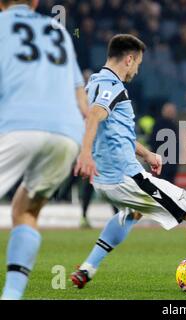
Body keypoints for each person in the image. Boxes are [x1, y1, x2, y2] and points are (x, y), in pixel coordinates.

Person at [70, 34, 186, 296]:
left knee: (131, 213)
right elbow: (95, 118)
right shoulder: (112, 85)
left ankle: (87, 268)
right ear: (129, 59)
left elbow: (112, 130)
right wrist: (84, 153)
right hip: (124, 176)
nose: (137, 69)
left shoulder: (93, 83)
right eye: (138, 64)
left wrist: (147, 154)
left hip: (105, 179)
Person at [0, 0, 87, 299]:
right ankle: (11, 295)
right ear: (35, 2)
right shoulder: (59, 31)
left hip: (17, 125)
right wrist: (87, 147)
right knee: (25, 209)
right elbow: (80, 95)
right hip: (66, 134)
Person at [149, 102, 179, 184]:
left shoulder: (171, 124)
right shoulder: (161, 124)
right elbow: (153, 142)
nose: (173, 113)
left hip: (169, 163)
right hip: (163, 163)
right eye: (170, 111)